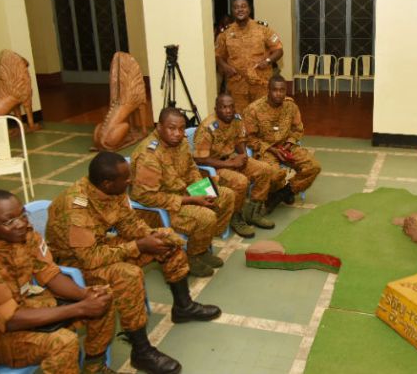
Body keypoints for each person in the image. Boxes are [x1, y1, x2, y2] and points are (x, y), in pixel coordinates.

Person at [46, 152, 221, 374]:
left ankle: (183, 307)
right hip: (76, 265)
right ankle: (141, 351)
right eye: (125, 179)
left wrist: (150, 237)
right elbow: (89, 258)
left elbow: (128, 223)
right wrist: (138, 246)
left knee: (168, 242)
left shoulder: (114, 190)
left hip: (102, 247)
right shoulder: (76, 207)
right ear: (107, 183)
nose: (129, 181)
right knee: (128, 275)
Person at [0, 190, 116, 374]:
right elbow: (9, 320)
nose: (21, 223)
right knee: (63, 343)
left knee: (102, 298)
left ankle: (95, 366)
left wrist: (85, 296)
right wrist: (80, 308)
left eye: (22, 214)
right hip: (0, 335)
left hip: (28, 303)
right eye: (8, 221)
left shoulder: (27, 235)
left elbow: (50, 274)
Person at [129, 107, 236, 277]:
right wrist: (191, 200)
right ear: (159, 127)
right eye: (172, 128)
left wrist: (200, 188)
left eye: (181, 128)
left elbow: (191, 168)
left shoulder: (181, 142)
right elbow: (145, 196)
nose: (178, 133)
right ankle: (192, 256)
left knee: (226, 196)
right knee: (207, 216)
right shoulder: (149, 156)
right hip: (161, 208)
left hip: (184, 193)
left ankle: (201, 245)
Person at [193, 93, 288, 236]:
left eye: (231, 107)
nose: (228, 110)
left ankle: (253, 212)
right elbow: (200, 160)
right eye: (224, 107)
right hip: (213, 167)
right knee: (241, 182)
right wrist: (231, 164)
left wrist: (243, 155)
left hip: (233, 159)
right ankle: (236, 217)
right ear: (216, 108)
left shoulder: (236, 119)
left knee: (265, 170)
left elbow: (240, 140)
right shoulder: (207, 128)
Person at [244, 76, 321, 206]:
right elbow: (249, 139)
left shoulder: (291, 106)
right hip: (266, 150)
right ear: (268, 90)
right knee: (273, 176)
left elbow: (298, 129)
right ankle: (279, 192)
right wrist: (271, 149)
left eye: (282, 90)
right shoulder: (253, 110)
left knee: (313, 167)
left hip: (287, 147)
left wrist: (289, 142)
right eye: (275, 90)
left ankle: (285, 192)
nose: (278, 93)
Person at [215, 0, 284, 112]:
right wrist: (225, 67)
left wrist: (267, 61)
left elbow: (279, 50)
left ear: (249, 10)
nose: (240, 10)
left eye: (243, 6)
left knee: (262, 114)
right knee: (240, 117)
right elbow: (218, 55)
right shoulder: (225, 34)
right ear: (233, 11)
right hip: (237, 85)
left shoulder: (262, 29)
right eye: (236, 7)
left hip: (260, 83)